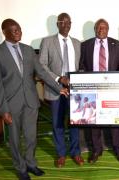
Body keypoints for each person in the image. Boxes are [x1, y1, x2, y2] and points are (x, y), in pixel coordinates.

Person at [0, 19, 68, 180]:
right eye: (13, 30)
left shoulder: (28, 50)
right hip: (11, 104)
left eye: (19, 29)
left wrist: (59, 88)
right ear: (4, 32)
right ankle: (20, 168)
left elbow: (42, 73)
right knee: (15, 140)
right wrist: (3, 110)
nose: (18, 32)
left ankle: (31, 164)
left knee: (31, 137)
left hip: (31, 102)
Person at [38, 13, 84, 167]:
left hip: (74, 91)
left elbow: (80, 67)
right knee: (58, 123)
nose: (66, 25)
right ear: (57, 24)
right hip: (55, 88)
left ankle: (76, 153)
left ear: (71, 24)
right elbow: (42, 66)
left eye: (68, 22)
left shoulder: (77, 43)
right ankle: (61, 154)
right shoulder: (47, 42)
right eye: (62, 22)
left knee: (75, 123)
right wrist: (59, 79)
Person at [79, 18, 119, 163]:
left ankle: (118, 149)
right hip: (92, 89)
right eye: (98, 27)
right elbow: (82, 65)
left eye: (104, 27)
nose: (101, 30)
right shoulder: (85, 45)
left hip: (111, 89)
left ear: (108, 29)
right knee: (94, 121)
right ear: (95, 29)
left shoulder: (116, 44)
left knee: (115, 121)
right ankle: (96, 150)